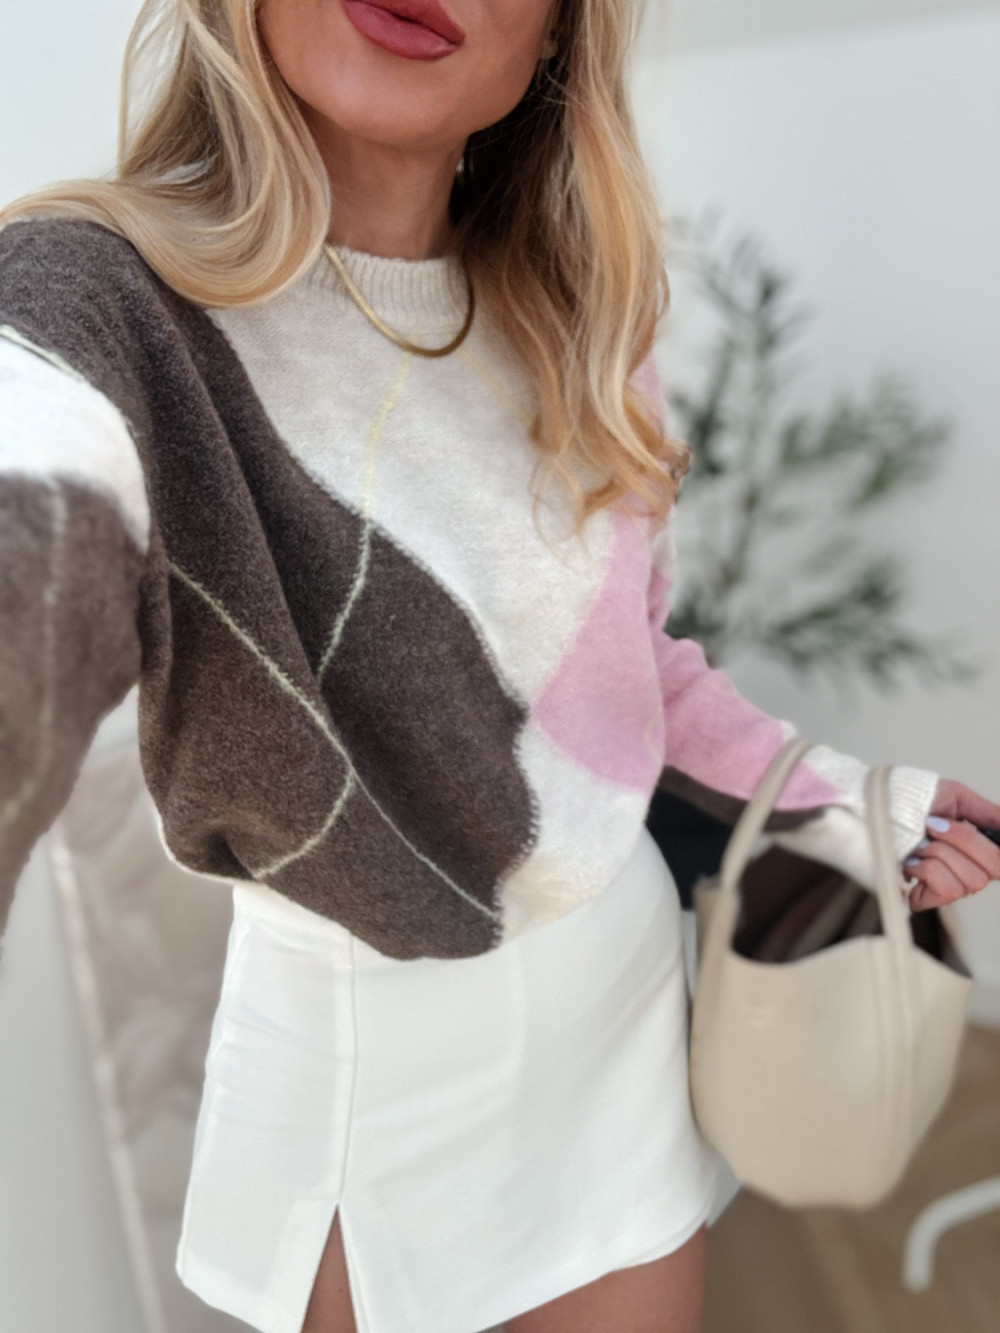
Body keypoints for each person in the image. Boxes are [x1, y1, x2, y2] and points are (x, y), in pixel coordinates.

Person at [0, 0, 997, 1330]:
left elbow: (634, 680)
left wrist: (850, 802)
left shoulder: (576, 321)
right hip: (373, 1092)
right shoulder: (98, 303)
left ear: (559, 34)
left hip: (615, 1012)